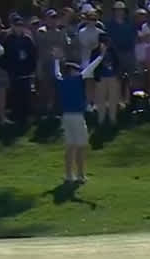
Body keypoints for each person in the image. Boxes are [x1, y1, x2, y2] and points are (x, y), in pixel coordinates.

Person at [55, 51, 103, 182]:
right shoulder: (77, 80)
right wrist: (101, 56)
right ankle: (81, 175)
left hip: (66, 117)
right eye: (76, 70)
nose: (78, 72)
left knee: (70, 146)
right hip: (77, 116)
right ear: (71, 71)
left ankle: (69, 175)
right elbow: (90, 68)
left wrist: (56, 61)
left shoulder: (61, 81)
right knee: (81, 146)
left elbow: (56, 73)